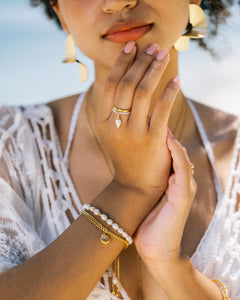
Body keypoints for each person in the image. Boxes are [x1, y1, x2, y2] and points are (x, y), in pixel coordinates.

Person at [0, 0, 239, 299]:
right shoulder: (9, 144)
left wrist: (172, 266)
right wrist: (131, 189)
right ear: (60, 11)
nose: (117, 2)